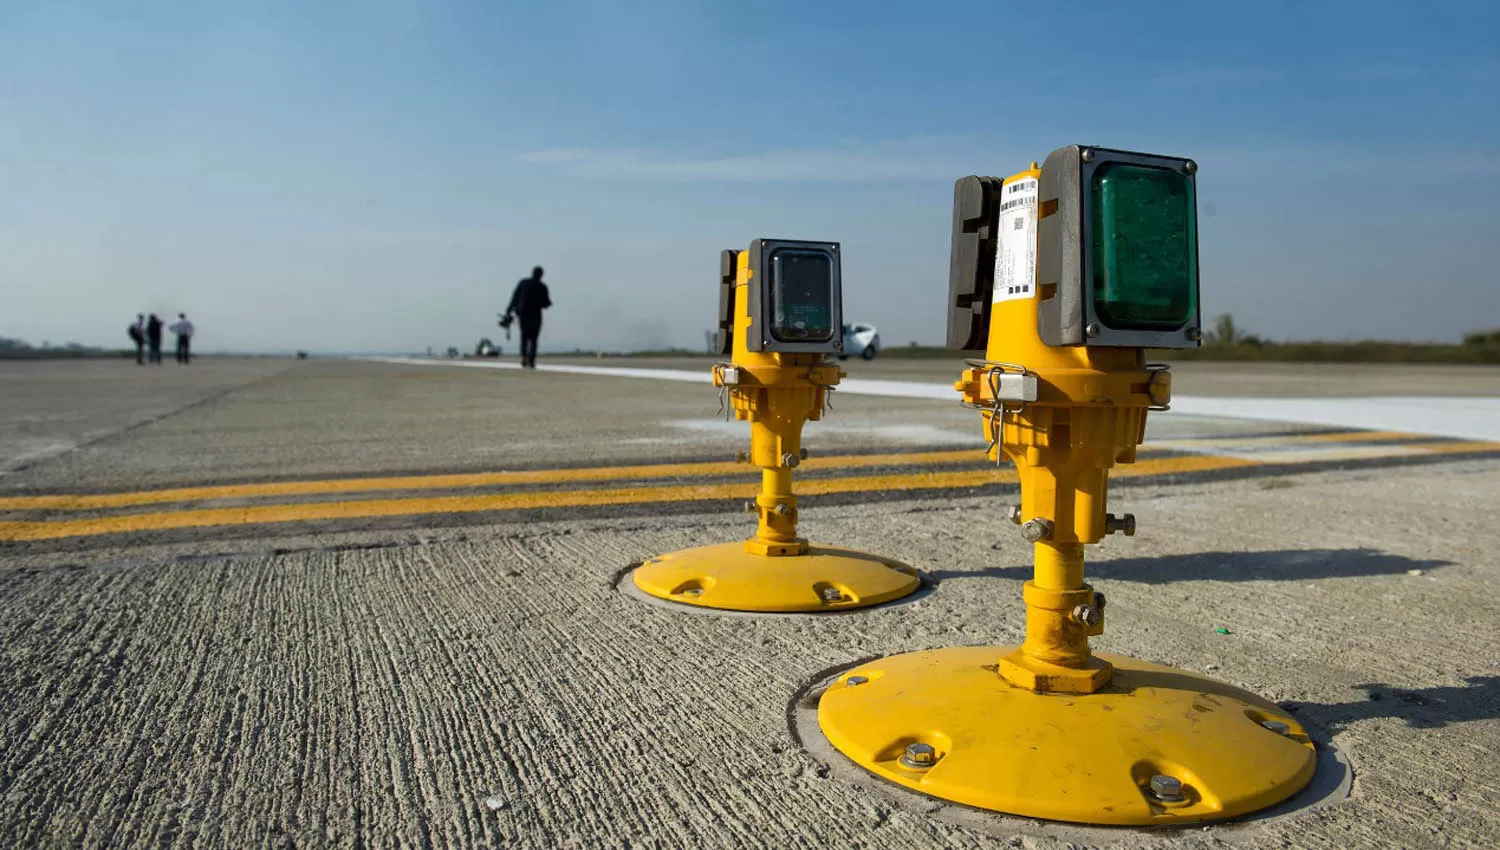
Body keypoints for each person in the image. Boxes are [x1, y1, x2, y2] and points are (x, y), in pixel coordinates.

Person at [504, 266, 552, 368]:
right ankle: (531, 360)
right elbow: (546, 303)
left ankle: (524, 357)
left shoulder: (523, 283)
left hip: (523, 314)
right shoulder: (542, 287)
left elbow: (515, 297)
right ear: (541, 275)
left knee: (524, 336)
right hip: (535, 314)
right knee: (534, 338)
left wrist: (509, 310)